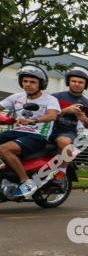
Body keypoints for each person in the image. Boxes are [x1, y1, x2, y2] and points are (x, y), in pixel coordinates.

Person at [0, 65, 60, 197]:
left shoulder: (50, 99)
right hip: (18, 131)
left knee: (4, 149)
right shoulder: (16, 97)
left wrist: (33, 121)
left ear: (41, 84)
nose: (28, 84)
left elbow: (52, 116)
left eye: (32, 82)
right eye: (25, 81)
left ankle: (26, 181)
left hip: (37, 135)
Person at [50, 66, 88, 155]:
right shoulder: (55, 97)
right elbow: (43, 115)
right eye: (73, 81)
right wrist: (65, 111)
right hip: (47, 129)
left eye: (80, 82)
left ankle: (62, 169)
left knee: (64, 142)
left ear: (85, 85)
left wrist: (82, 117)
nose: (77, 84)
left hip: (69, 132)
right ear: (68, 82)